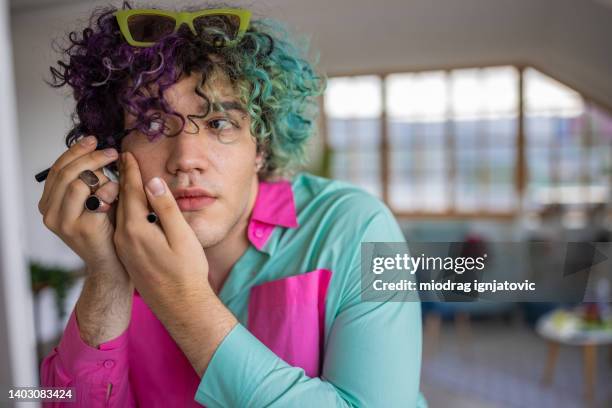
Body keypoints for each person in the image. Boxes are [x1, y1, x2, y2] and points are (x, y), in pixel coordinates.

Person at [38, 2, 426, 406]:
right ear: (114, 152)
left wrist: (184, 301)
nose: (186, 158)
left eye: (219, 123)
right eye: (152, 125)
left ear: (260, 146)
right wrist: (107, 276)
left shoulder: (360, 226)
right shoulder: (118, 244)